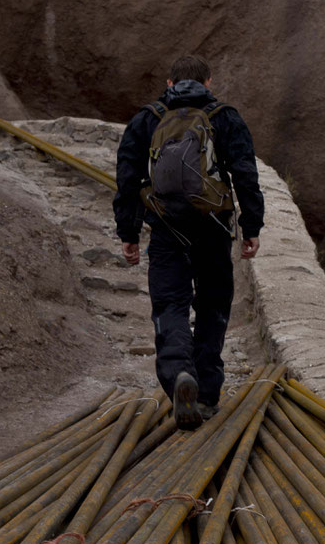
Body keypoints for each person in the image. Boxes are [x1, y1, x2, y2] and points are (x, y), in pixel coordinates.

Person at [113, 55, 264, 430]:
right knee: (212, 306)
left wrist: (128, 234)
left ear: (169, 83)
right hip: (213, 228)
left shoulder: (147, 118)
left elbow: (128, 179)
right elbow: (245, 174)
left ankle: (180, 372)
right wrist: (251, 227)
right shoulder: (225, 117)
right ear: (208, 83)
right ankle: (208, 394)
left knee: (170, 304)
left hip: (166, 229)